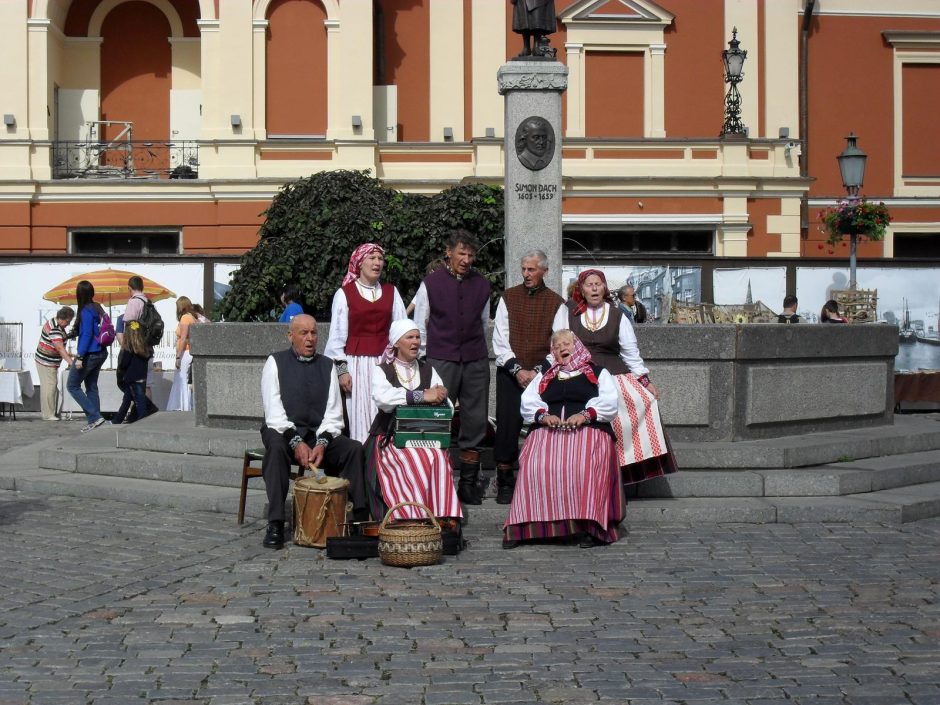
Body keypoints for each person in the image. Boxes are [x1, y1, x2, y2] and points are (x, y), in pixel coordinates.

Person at [554, 269, 678, 486]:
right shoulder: (567, 310)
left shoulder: (616, 314)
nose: (593, 288)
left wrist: (645, 381)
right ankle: (578, 472)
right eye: (589, 284)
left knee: (633, 405)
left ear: (604, 288)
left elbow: (630, 352)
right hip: (578, 372)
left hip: (612, 372)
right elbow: (556, 344)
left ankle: (617, 472)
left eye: (598, 284)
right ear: (581, 289)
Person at [503, 330, 624, 549]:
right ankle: (524, 527)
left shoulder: (598, 372)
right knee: (534, 465)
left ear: (577, 346)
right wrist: (543, 415)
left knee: (583, 464)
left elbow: (609, 401)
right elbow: (528, 401)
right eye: (556, 346)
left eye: (566, 343)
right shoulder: (546, 376)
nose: (562, 348)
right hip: (549, 429)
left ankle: (591, 527)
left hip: (589, 429)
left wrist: (586, 415)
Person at [260, 314, 368, 549]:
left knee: (353, 449)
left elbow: (334, 414)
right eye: (303, 333)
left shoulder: (328, 365)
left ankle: (360, 517)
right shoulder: (275, 362)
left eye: (314, 333)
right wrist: (296, 441)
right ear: (291, 336)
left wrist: (322, 443)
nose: (310, 339)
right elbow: (274, 413)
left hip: (317, 433)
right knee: (277, 450)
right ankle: (276, 522)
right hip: (283, 431)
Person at [413, 229, 492, 505]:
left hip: (474, 359)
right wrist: (424, 359)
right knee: (438, 419)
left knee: (475, 420)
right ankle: (438, 481)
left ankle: (468, 484)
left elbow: (483, 323)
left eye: (471, 255)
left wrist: (475, 353)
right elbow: (421, 323)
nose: (467, 259)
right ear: (448, 253)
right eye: (462, 253)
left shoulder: (482, 285)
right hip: (441, 358)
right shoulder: (431, 283)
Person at [364, 319, 462, 523]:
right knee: (413, 460)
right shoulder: (382, 370)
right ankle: (410, 516)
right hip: (390, 437)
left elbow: (448, 408)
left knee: (438, 457)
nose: (415, 342)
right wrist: (420, 396)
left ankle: (442, 515)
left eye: (417, 337)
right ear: (397, 343)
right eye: (410, 337)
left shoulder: (427, 369)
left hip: (426, 435)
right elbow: (384, 400)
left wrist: (441, 397)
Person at [491, 249, 562, 504]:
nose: (526, 274)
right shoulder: (508, 298)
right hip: (511, 372)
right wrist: (517, 369)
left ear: (544, 271)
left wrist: (539, 372)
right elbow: (500, 339)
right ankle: (506, 480)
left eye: (532, 269)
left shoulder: (556, 302)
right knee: (507, 423)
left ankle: (541, 478)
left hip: (543, 373)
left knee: (543, 423)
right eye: (524, 269)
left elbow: (560, 342)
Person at [324, 243, 407, 443]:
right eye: (372, 258)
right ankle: (362, 461)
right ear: (360, 263)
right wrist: (342, 370)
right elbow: (336, 337)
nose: (377, 263)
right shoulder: (345, 294)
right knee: (360, 414)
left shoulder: (391, 292)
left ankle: (385, 461)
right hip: (357, 364)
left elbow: (401, 328)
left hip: (385, 362)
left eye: (380, 259)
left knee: (387, 410)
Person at [66, 280, 109, 432]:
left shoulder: (85, 311)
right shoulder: (97, 307)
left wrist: (81, 356)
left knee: (72, 385)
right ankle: (97, 421)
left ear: (79, 295)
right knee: (91, 386)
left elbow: (87, 334)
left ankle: (94, 416)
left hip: (89, 353)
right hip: (101, 352)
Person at [35, 306, 75, 421]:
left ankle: (52, 412)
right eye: (68, 321)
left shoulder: (54, 321)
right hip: (46, 362)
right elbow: (60, 348)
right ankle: (48, 414)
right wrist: (71, 363)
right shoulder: (55, 329)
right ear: (62, 319)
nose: (68, 324)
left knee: (50, 386)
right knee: (50, 387)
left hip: (47, 361)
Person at [111, 320, 153, 425]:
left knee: (139, 400)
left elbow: (124, 363)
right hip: (142, 376)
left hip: (131, 378)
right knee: (128, 399)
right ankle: (117, 420)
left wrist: (121, 370)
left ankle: (143, 419)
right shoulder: (144, 346)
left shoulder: (128, 347)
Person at [166, 296, 197, 411]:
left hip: (185, 352)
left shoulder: (185, 318)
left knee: (181, 379)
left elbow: (183, 338)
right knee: (184, 380)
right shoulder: (192, 317)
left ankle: (181, 406)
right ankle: (184, 405)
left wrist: (178, 357)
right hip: (189, 352)